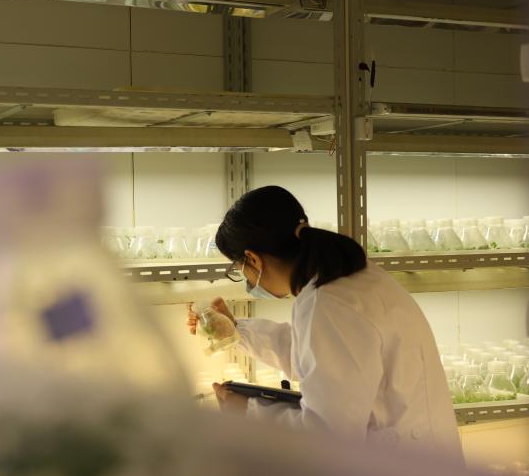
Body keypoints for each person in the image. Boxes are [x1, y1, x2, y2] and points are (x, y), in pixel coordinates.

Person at [187, 186, 462, 460]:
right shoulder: (351, 281)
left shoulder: (329, 303)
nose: (246, 280)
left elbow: (326, 436)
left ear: (254, 259)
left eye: (239, 270)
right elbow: (316, 356)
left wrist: (248, 411)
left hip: (400, 474)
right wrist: (236, 331)